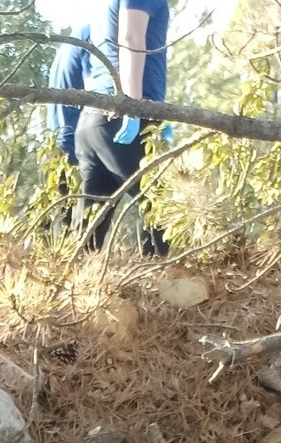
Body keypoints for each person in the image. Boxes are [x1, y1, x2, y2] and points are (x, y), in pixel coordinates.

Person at [54, 0, 168, 254]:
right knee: (165, 205)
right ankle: (163, 274)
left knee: (89, 228)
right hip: (124, 115)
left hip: (93, 120)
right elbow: (131, 38)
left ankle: (76, 275)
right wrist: (133, 107)